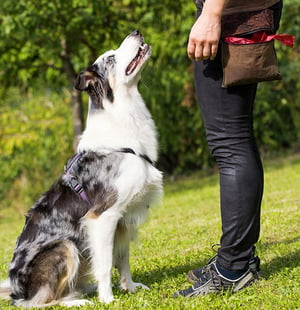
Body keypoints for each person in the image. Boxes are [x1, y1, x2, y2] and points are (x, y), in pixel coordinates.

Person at [174, 0, 283, 297]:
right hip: (234, 13)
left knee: (230, 141)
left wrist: (211, 13)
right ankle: (239, 257)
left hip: (230, 15)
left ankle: (233, 268)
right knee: (234, 138)